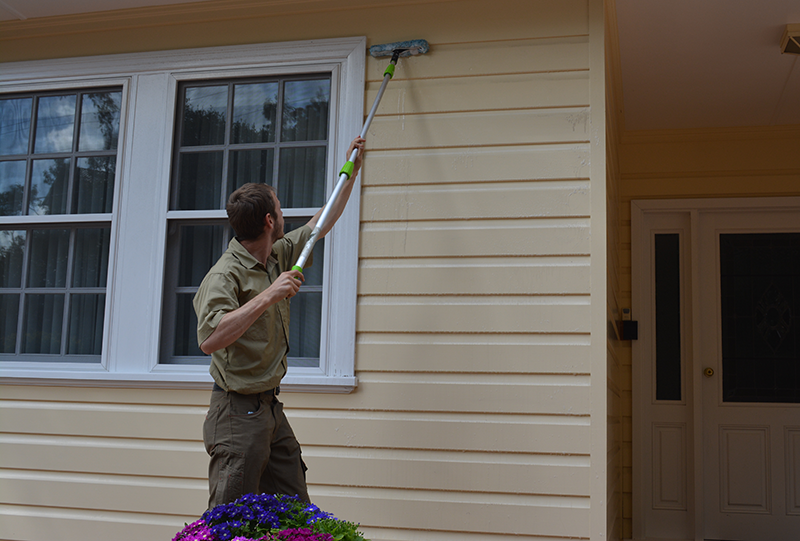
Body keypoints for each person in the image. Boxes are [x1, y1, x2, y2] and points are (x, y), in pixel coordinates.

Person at [194, 136, 365, 509]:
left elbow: (319, 224)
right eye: (280, 209)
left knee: (292, 507)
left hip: (268, 407)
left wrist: (350, 169)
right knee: (228, 519)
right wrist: (269, 295)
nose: (285, 216)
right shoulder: (225, 275)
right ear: (270, 220)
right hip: (237, 412)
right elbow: (210, 339)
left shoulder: (277, 255)